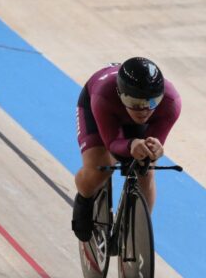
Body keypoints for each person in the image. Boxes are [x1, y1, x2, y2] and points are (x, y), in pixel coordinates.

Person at [72, 57, 181, 242]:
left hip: (123, 109)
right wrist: (130, 145)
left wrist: (153, 150)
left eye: (152, 102)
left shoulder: (170, 103)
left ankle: (139, 232)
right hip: (102, 108)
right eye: (136, 104)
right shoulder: (103, 96)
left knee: (146, 169)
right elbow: (113, 144)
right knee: (99, 168)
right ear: (122, 95)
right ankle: (84, 198)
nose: (145, 111)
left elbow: (152, 148)